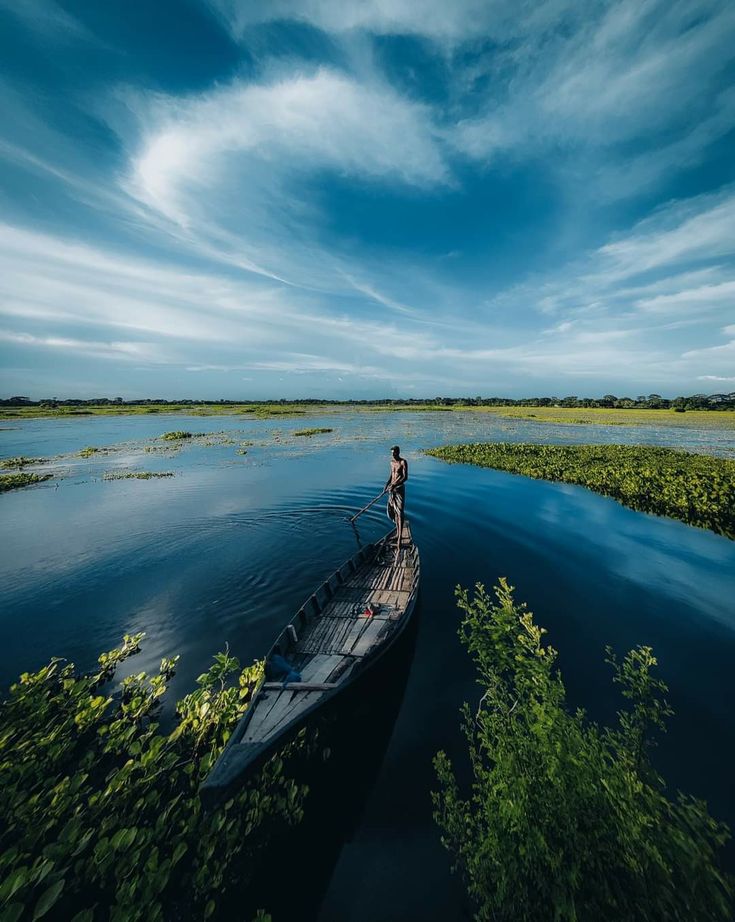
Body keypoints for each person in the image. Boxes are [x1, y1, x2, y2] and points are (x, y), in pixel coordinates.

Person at [384, 445, 408, 547]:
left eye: (394, 453)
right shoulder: (391, 462)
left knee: (400, 512)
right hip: (391, 490)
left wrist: (395, 484)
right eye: (392, 453)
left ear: (398, 452)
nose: (393, 455)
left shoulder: (403, 462)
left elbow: (405, 477)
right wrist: (387, 484)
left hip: (399, 490)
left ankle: (399, 538)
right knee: (394, 511)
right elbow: (391, 475)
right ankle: (398, 533)